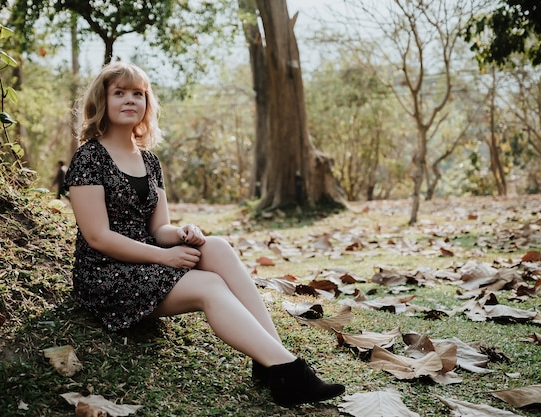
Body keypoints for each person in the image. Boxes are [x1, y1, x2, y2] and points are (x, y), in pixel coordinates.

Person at [63, 62, 345, 407]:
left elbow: (158, 229)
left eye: (138, 93)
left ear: (147, 103)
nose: (130, 100)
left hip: (148, 260)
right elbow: (98, 237)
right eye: (119, 93)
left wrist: (182, 233)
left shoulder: (149, 161)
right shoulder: (88, 157)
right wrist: (164, 256)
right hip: (106, 274)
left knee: (217, 247)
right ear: (102, 101)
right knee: (210, 285)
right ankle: (287, 369)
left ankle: (272, 361)